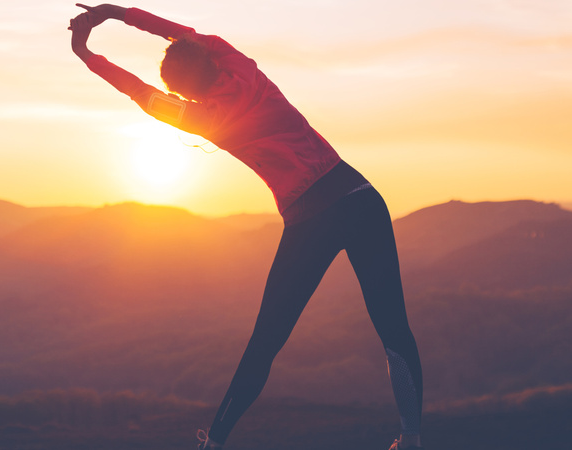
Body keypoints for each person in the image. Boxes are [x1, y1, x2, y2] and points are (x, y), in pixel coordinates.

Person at [68, 4, 425, 450]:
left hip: (310, 218)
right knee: (393, 327)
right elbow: (178, 32)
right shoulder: (236, 61)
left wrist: (86, 54)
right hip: (360, 196)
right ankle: (411, 439)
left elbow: (140, 93)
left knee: (266, 342)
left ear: (187, 93)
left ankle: (214, 443)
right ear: (208, 56)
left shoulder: (204, 117)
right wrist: (116, 13)